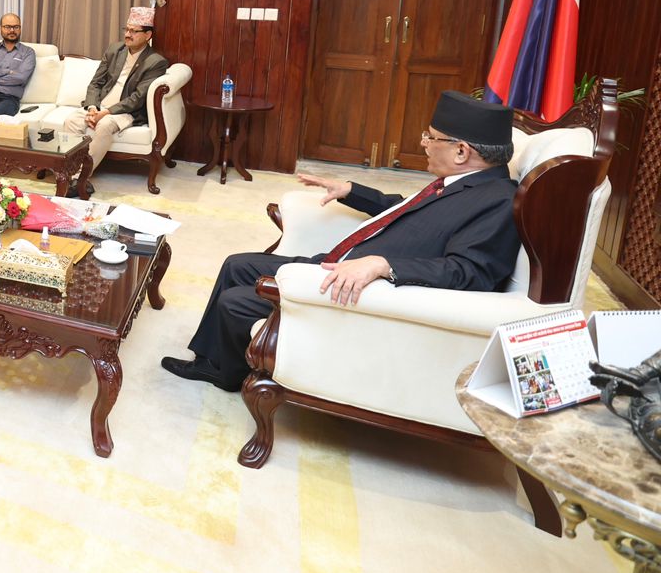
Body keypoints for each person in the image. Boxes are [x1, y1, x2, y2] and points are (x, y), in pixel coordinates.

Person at [161, 91, 521, 392]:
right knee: (236, 265)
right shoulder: (464, 184)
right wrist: (351, 190)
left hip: (358, 288)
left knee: (235, 303)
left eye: (431, 138)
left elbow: (471, 272)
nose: (423, 144)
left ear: (461, 151)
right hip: (339, 263)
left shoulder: (497, 202)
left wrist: (385, 265)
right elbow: (408, 210)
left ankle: (228, 375)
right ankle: (213, 363)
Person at [60, 7, 170, 196]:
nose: (127, 34)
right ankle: (70, 175)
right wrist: (93, 107)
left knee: (104, 126)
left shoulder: (155, 62)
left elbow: (138, 98)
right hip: (99, 106)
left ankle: (81, 178)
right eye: (126, 29)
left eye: (134, 31)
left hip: (126, 112)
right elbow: (96, 82)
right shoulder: (114, 50)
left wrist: (105, 113)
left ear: (148, 35)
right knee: (71, 121)